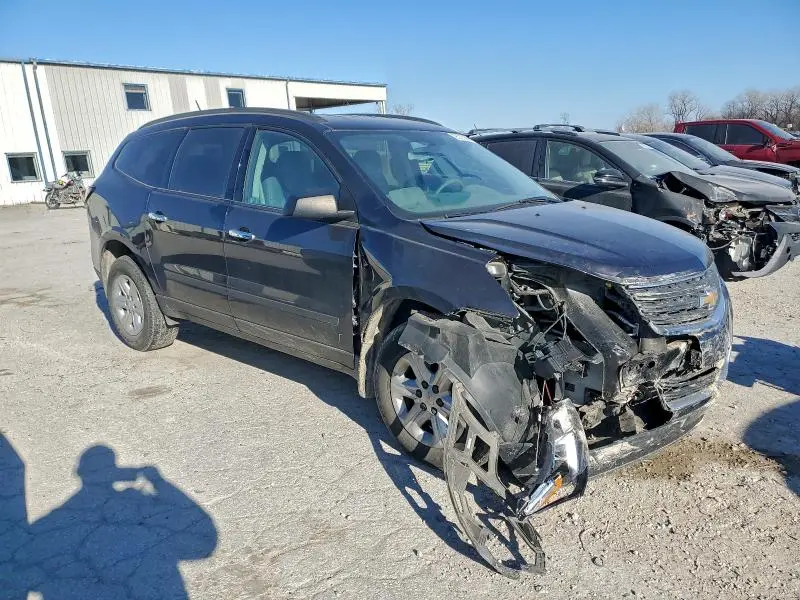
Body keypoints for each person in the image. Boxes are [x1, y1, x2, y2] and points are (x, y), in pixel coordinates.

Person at [7, 444, 217, 600]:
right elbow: (205, 541)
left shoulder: (50, 524)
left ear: (80, 473)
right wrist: (159, 482)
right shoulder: (141, 505)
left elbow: (23, 573)